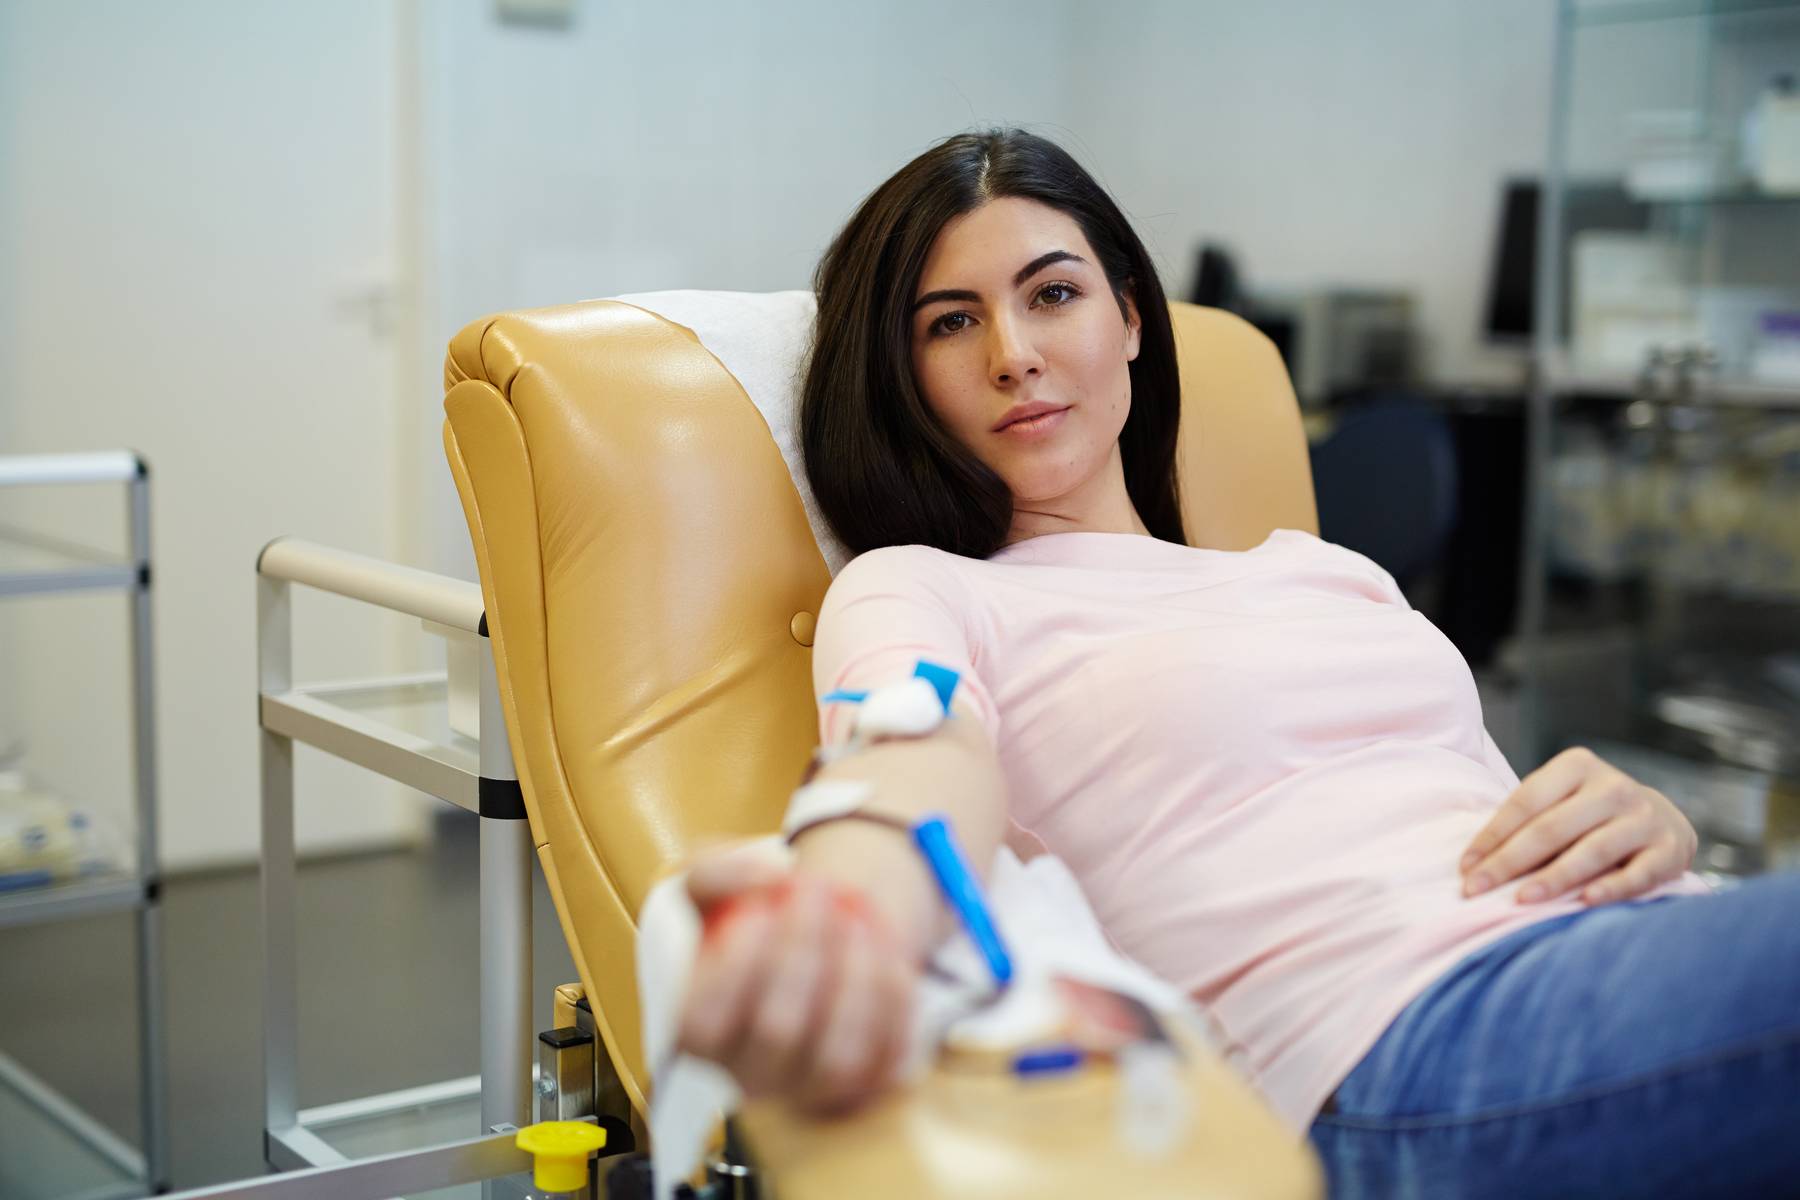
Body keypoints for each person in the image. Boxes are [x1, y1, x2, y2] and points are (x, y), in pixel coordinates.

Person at [674, 129, 1800, 1198]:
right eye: (950, 324)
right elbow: (910, 755)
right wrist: (852, 898)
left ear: (1128, 319)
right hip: (1400, 1049)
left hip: (1620, 950)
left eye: (1052, 294)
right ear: (902, 379)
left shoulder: (1324, 572)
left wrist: (1647, 826)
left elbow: (1482, 809)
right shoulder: (929, 585)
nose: (1014, 355)